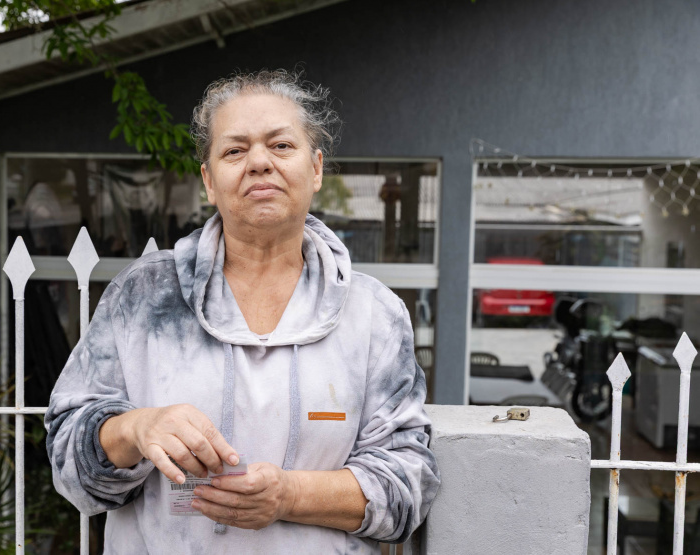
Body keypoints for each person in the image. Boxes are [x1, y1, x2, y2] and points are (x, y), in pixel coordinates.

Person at [45, 69, 440, 554]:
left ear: (316, 169)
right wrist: (136, 428)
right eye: (234, 150)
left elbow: (408, 484)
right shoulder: (144, 296)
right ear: (209, 181)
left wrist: (287, 496)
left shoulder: (374, 315)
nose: (258, 162)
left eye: (280, 146)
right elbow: (68, 463)